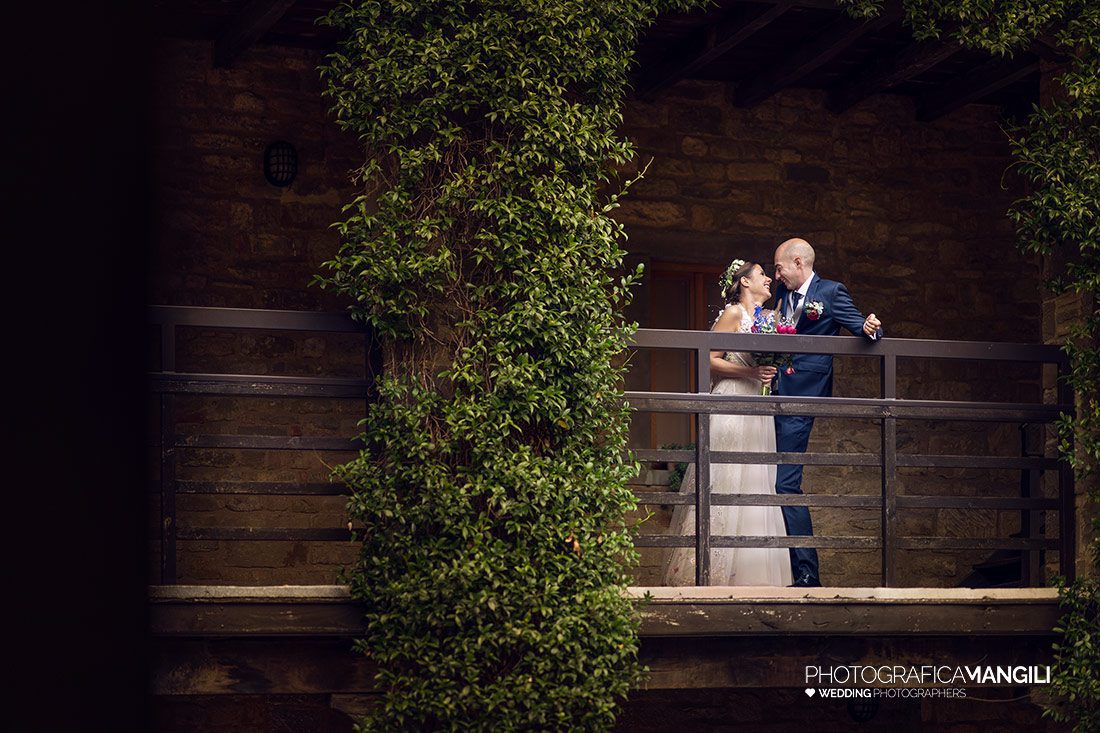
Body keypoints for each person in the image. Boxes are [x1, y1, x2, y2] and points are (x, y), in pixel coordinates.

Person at [662, 258, 793, 587]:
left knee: (756, 481)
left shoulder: (768, 319)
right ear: (745, 282)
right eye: (762, 274)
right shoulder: (734, 313)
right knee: (725, 480)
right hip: (731, 402)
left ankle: (750, 574)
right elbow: (708, 359)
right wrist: (751, 371)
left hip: (757, 407)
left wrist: (770, 370)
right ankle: (707, 571)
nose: (769, 279)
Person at [771, 237, 882, 587]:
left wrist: (872, 327)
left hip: (803, 397)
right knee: (767, 481)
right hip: (771, 394)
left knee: (785, 484)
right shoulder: (783, 295)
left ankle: (807, 573)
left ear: (798, 262)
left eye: (779, 268)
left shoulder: (831, 293)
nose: (776, 276)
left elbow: (864, 328)